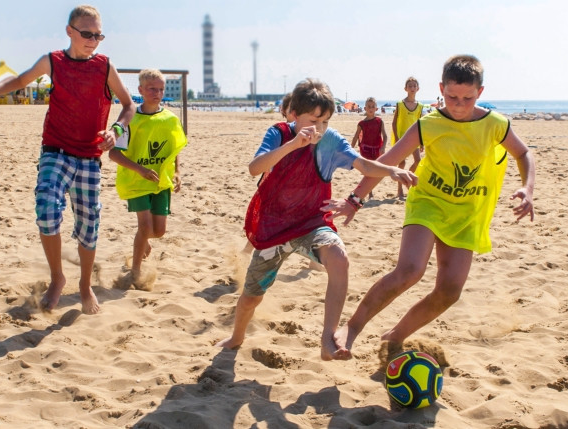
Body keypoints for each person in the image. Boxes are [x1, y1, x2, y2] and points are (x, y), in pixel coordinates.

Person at [326, 54, 536, 358]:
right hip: (428, 202)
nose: (459, 104)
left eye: (467, 98)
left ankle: (396, 336)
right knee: (410, 270)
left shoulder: (495, 124)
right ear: (441, 89)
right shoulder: (429, 124)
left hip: (467, 213)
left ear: (480, 92)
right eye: (452, 97)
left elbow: (523, 153)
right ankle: (353, 327)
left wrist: (527, 188)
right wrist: (354, 200)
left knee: (450, 291)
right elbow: (389, 160)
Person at [216, 78, 416, 361]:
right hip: (274, 227)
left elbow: (362, 164)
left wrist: (390, 171)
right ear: (293, 114)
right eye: (313, 121)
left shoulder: (331, 139)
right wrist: (293, 145)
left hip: (312, 223)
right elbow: (254, 168)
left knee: (339, 258)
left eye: (325, 121)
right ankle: (237, 336)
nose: (319, 129)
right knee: (251, 297)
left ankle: (327, 339)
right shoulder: (279, 134)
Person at [0, 5, 135, 315]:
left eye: (98, 35)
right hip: (55, 150)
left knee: (89, 225)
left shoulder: (104, 66)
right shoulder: (53, 61)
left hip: (89, 158)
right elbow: (20, 80)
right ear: (69, 31)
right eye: (87, 34)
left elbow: (128, 106)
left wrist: (115, 130)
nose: (93, 40)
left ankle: (85, 284)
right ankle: (57, 277)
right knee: (47, 210)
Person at [108, 69, 187, 288]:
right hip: (135, 181)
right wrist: (140, 169)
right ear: (140, 90)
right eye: (152, 89)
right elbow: (113, 154)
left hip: (159, 181)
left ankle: (143, 242)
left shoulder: (170, 119)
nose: (157, 93)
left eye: (161, 89)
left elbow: (174, 148)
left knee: (158, 231)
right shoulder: (130, 119)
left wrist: (177, 171)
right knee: (144, 226)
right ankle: (135, 272)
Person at [391, 77, 426, 199]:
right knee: (402, 162)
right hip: (402, 138)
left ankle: (407, 178)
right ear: (405, 89)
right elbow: (394, 123)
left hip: (414, 138)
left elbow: (420, 124)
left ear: (418, 88)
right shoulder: (400, 104)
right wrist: (396, 138)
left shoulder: (420, 106)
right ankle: (399, 189)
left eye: (414, 86)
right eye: (410, 86)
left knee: (418, 161)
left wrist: (421, 142)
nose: (412, 88)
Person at [350, 97, 388, 198]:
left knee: (375, 170)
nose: (371, 108)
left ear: (376, 109)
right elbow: (356, 136)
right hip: (365, 149)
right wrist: (350, 149)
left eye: (373, 106)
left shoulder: (379, 121)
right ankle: (370, 192)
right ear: (365, 108)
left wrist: (383, 147)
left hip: (377, 148)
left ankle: (369, 189)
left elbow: (385, 136)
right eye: (369, 106)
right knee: (368, 170)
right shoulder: (361, 123)